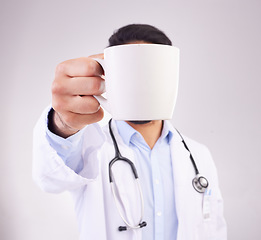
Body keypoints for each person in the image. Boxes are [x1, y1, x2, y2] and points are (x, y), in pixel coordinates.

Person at [33, 24, 227, 240]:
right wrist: (63, 123)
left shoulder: (199, 155)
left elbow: (215, 229)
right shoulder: (90, 148)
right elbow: (50, 179)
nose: (142, 82)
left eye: (150, 71)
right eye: (131, 71)